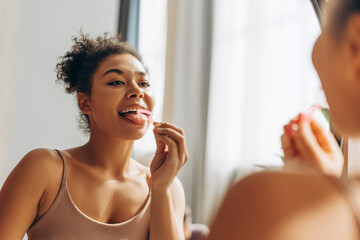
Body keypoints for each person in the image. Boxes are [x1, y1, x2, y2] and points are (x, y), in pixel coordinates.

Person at [0, 33, 188, 240]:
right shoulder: (43, 168)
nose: (137, 91)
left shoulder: (169, 188)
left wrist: (161, 189)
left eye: (143, 83)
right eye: (117, 82)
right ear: (85, 103)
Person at [208, 0, 360, 239]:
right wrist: (330, 184)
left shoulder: (265, 200)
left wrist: (311, 193)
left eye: (326, 24)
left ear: (354, 42)